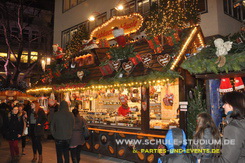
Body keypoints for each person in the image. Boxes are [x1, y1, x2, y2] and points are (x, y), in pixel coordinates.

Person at [201, 91, 245, 163]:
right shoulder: (241, 123)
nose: (223, 106)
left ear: (232, 105)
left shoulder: (233, 128)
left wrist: (201, 161)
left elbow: (226, 161)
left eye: (225, 103)